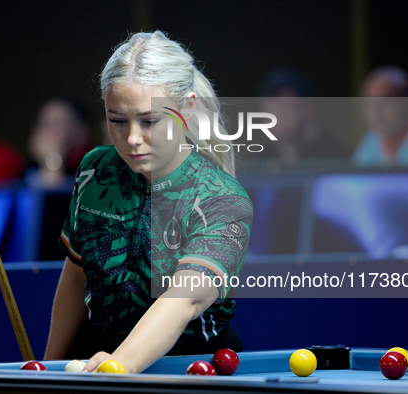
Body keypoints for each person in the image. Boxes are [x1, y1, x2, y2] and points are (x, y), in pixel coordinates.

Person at [44, 31, 253, 374]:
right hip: (99, 364)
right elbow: (77, 276)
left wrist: (119, 365)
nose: (132, 139)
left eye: (149, 120)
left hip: (194, 372)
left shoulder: (222, 197)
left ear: (186, 107)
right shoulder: (95, 170)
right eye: (117, 120)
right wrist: (49, 370)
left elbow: (183, 299)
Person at [255, 67, 351, 165]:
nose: (277, 115)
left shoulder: (338, 156)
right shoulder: (259, 159)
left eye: (285, 107)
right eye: (272, 108)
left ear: (307, 109)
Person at [25, 97, 93, 188]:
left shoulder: (94, 170)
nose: (44, 130)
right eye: (40, 123)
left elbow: (54, 197)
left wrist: (52, 159)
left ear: (80, 132)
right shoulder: (22, 169)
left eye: (54, 123)